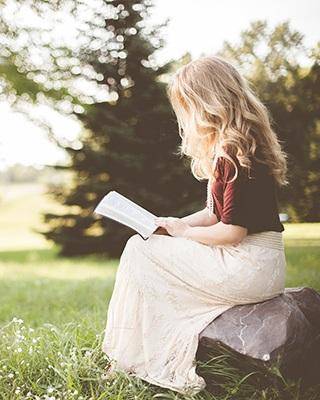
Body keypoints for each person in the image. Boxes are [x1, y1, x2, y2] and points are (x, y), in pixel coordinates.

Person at [101, 55, 288, 395]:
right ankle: (131, 354)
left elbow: (232, 232)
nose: (185, 116)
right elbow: (213, 214)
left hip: (249, 264)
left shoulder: (234, 151)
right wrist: (171, 224)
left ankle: (129, 357)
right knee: (145, 246)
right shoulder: (235, 145)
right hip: (257, 263)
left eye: (187, 105)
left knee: (138, 251)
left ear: (208, 102)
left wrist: (184, 234)